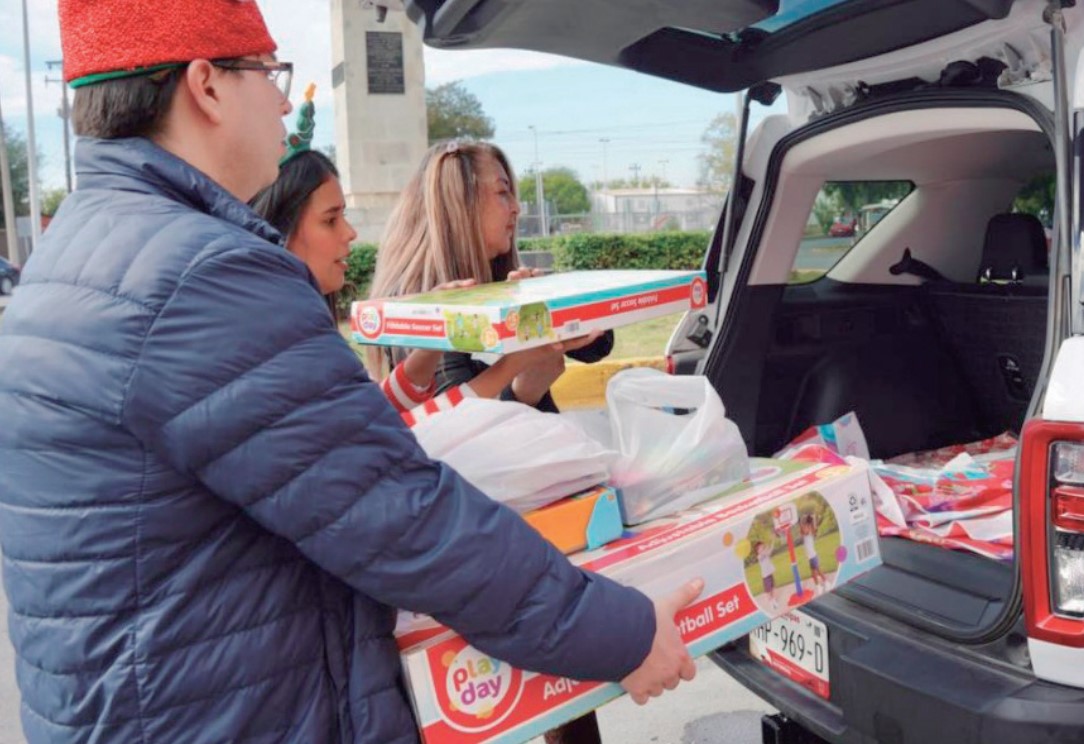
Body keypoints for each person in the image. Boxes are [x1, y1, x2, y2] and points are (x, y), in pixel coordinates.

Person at [0, 2, 702, 743]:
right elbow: (398, 515)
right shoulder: (199, 275)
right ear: (205, 86)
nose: (282, 103)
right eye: (268, 73)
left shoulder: (74, 257)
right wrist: (621, 634)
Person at [249, 90, 581, 419]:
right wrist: (515, 367)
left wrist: (434, 339)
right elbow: (410, 423)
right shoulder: (273, 344)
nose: (350, 232)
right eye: (330, 219)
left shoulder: (305, 329)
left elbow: (378, 408)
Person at [368, 140, 614, 411]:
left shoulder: (498, 278)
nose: (516, 207)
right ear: (460, 203)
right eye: (502, 192)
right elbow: (453, 419)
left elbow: (598, 343)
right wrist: (523, 384)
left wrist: (549, 306)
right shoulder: (420, 305)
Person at [801, 513, 829, 595]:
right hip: (810, 558)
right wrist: (804, 519)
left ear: (809, 528)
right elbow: (802, 529)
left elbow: (813, 527)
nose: (804, 529)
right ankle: (819, 586)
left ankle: (826, 583)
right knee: (813, 574)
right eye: (804, 528)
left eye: (806, 527)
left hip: (813, 557)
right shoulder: (805, 535)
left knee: (818, 571)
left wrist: (813, 519)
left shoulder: (810, 534)